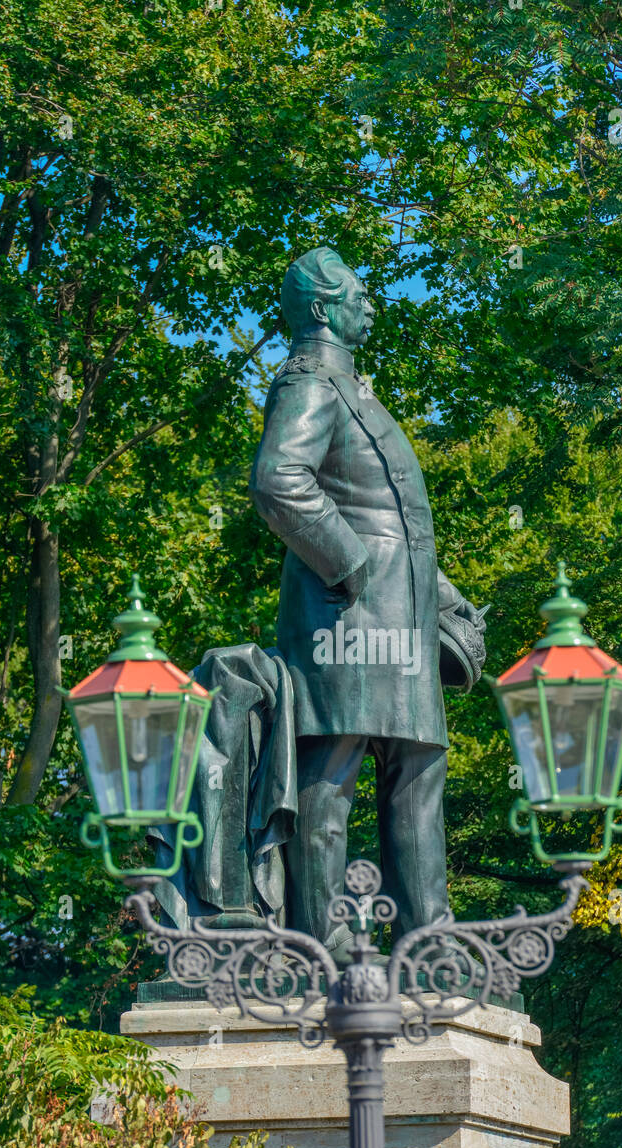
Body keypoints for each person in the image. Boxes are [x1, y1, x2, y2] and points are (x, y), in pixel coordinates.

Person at [249, 247, 486, 961]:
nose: (371, 305)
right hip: (342, 615)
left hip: (401, 615)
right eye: (358, 294)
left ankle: (428, 943)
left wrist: (445, 600)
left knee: (417, 767)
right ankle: (326, 943)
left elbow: (397, 520)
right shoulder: (309, 381)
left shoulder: (355, 388)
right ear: (323, 308)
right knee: (331, 772)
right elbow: (278, 480)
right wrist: (349, 564)